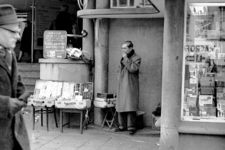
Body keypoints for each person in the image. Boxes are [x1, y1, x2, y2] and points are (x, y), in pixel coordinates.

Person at [0, 4, 30, 150]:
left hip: (13, 134)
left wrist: (22, 93)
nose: (18, 37)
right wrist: (5, 104)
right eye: (13, 32)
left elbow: (15, 80)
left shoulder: (9, 53)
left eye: (19, 32)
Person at [114, 41, 141, 135]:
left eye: (125, 48)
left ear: (130, 48)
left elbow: (133, 69)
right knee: (121, 104)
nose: (123, 50)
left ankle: (131, 127)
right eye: (122, 48)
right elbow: (119, 69)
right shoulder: (123, 57)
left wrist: (125, 58)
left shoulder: (136, 58)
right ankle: (121, 125)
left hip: (130, 84)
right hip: (121, 83)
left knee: (130, 105)